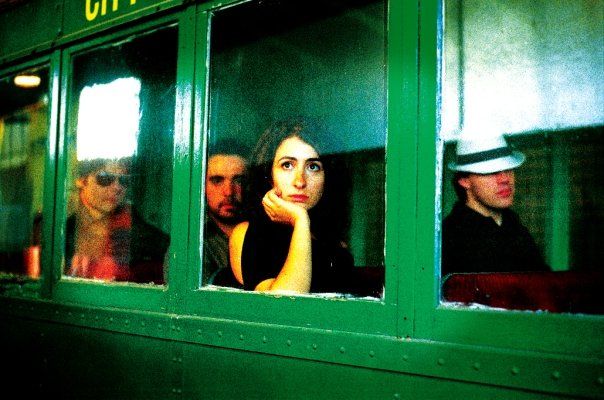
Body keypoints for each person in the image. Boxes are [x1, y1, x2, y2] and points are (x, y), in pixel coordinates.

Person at [229, 117, 354, 294]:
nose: (300, 181)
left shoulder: (334, 243)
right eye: (287, 165)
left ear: (328, 177)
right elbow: (282, 303)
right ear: (269, 175)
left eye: (313, 167)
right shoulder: (247, 233)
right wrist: (300, 220)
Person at [441, 133, 549, 275]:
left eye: (508, 169)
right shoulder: (451, 238)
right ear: (464, 181)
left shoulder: (515, 227)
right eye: (491, 171)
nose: (505, 179)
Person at [65, 157, 169, 284]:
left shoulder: (152, 241)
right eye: (105, 178)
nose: (117, 187)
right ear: (82, 180)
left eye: (124, 180)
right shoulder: (58, 231)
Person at [203, 139, 247, 286]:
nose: (229, 192)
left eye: (238, 180)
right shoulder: (194, 244)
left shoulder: (267, 231)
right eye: (217, 180)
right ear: (203, 186)